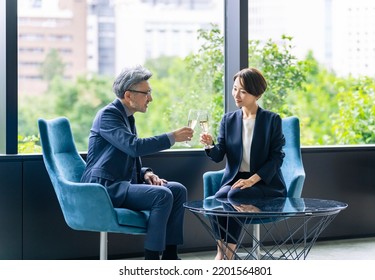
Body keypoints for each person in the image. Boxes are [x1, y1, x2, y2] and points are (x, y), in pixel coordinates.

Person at [80, 65, 194, 260]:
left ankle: (170, 257)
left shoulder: (127, 117)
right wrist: (172, 137)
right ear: (128, 95)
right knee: (162, 196)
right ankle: (151, 260)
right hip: (105, 187)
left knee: (177, 190)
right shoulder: (108, 115)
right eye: (146, 93)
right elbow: (133, 146)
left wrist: (145, 173)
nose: (150, 98)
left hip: (122, 183)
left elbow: (127, 155)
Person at [200, 67, 287, 260]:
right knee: (218, 198)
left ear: (256, 93)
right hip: (237, 181)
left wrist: (252, 180)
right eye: (234, 89)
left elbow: (277, 157)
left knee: (234, 194)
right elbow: (218, 155)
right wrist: (209, 145)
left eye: (243, 91)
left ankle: (227, 256)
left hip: (265, 183)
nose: (236, 95)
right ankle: (221, 252)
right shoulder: (228, 120)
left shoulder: (271, 120)